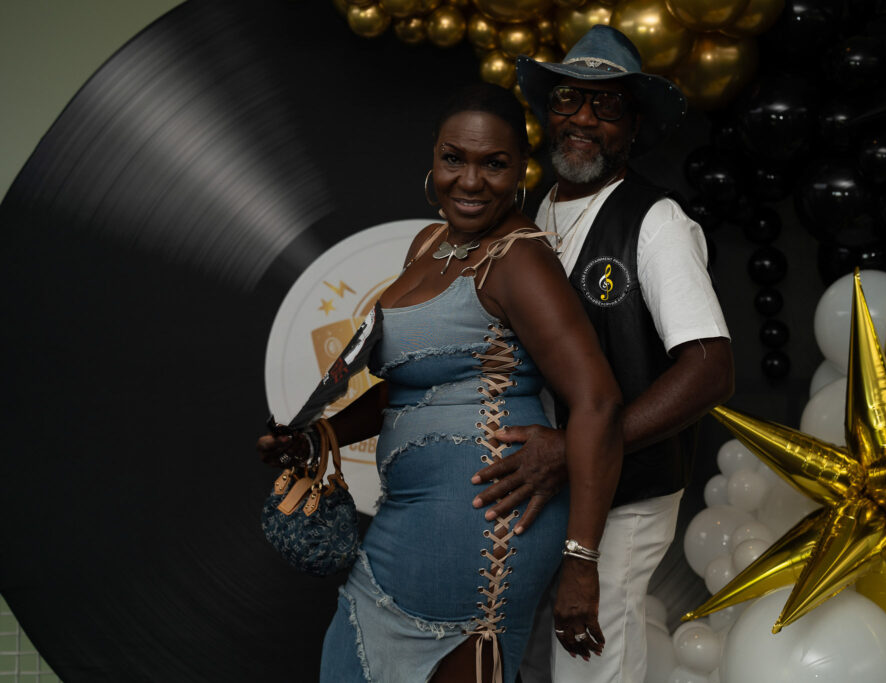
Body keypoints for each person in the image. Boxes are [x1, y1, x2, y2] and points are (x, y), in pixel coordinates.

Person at [256, 83, 624, 683]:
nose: (470, 182)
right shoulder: (428, 243)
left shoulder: (520, 260)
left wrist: (581, 563)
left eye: (493, 164)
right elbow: (407, 386)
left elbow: (599, 403)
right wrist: (318, 437)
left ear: (521, 170)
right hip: (404, 522)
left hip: (483, 530)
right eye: (454, 159)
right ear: (434, 157)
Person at [470, 26, 734, 683]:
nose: (584, 119)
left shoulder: (656, 222)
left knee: (588, 659)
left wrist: (573, 448)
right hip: (550, 482)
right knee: (547, 655)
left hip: (626, 493)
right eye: (568, 99)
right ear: (547, 112)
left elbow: (710, 370)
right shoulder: (537, 211)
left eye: (607, 104)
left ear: (634, 125)